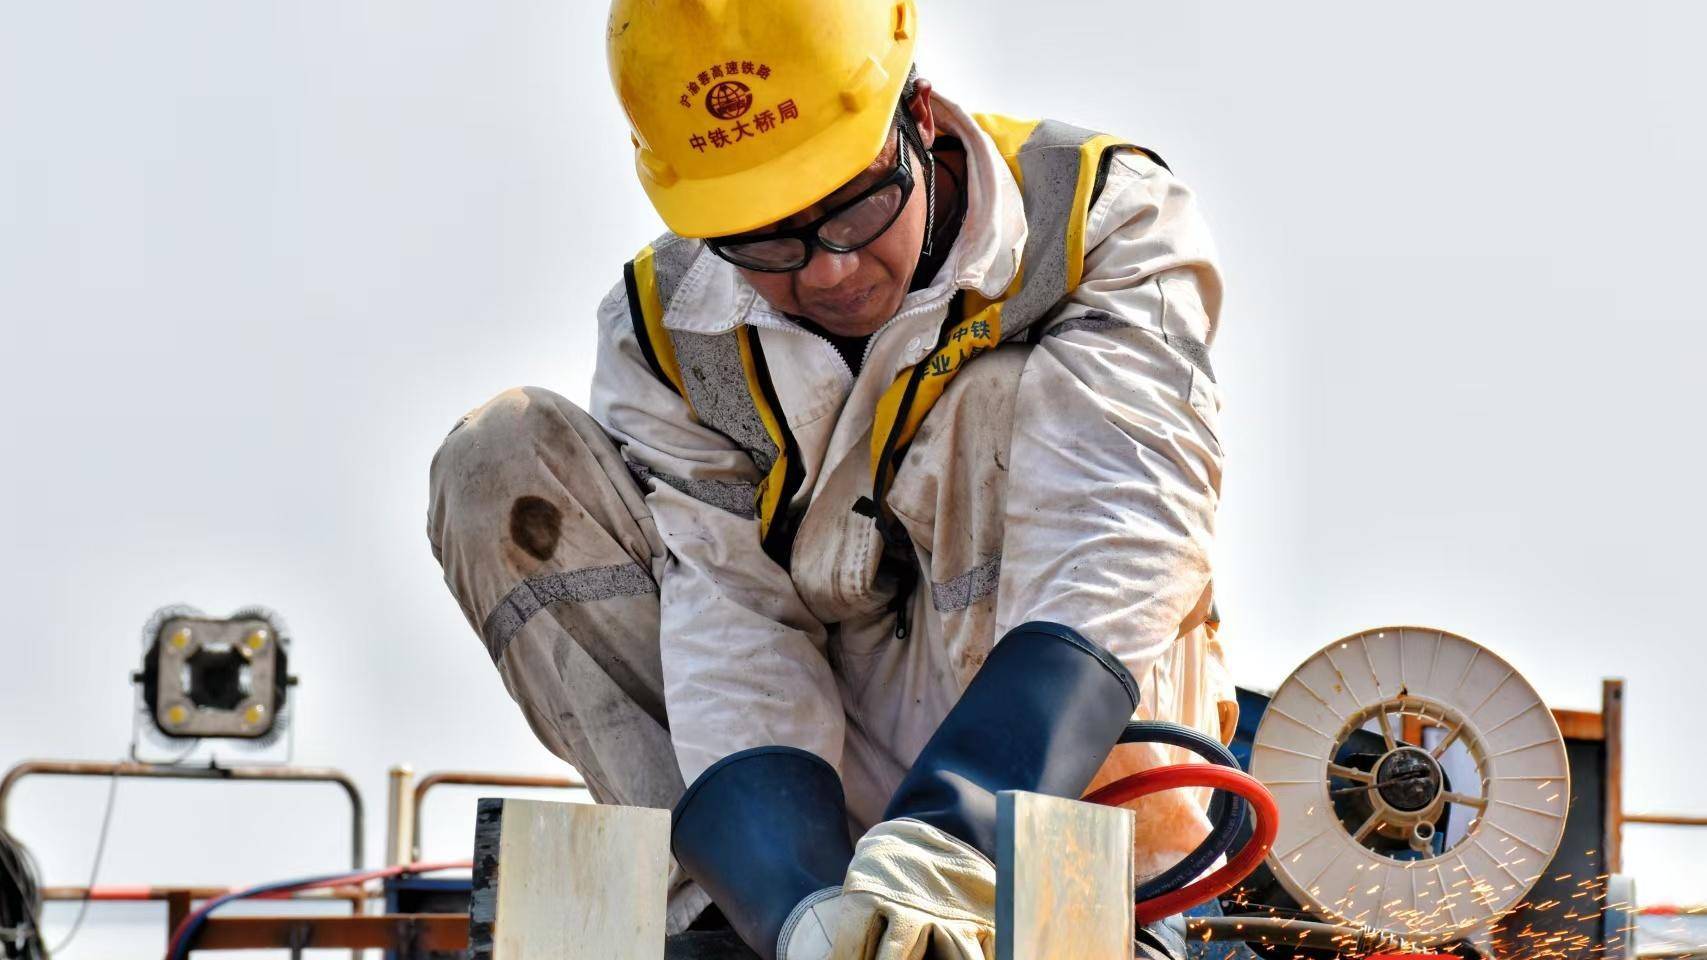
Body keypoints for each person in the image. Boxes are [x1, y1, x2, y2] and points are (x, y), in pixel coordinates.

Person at [428, 2, 1235, 957]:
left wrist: (956, 836)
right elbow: (732, 619)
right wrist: (801, 907)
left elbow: (1117, 540)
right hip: (806, 797)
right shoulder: (667, 328)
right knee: (499, 461)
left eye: (853, 208)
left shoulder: (1099, 217)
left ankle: (999, 879)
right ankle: (746, 908)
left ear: (918, 117)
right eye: (766, 243)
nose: (827, 274)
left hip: (1057, 781)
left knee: (989, 400)